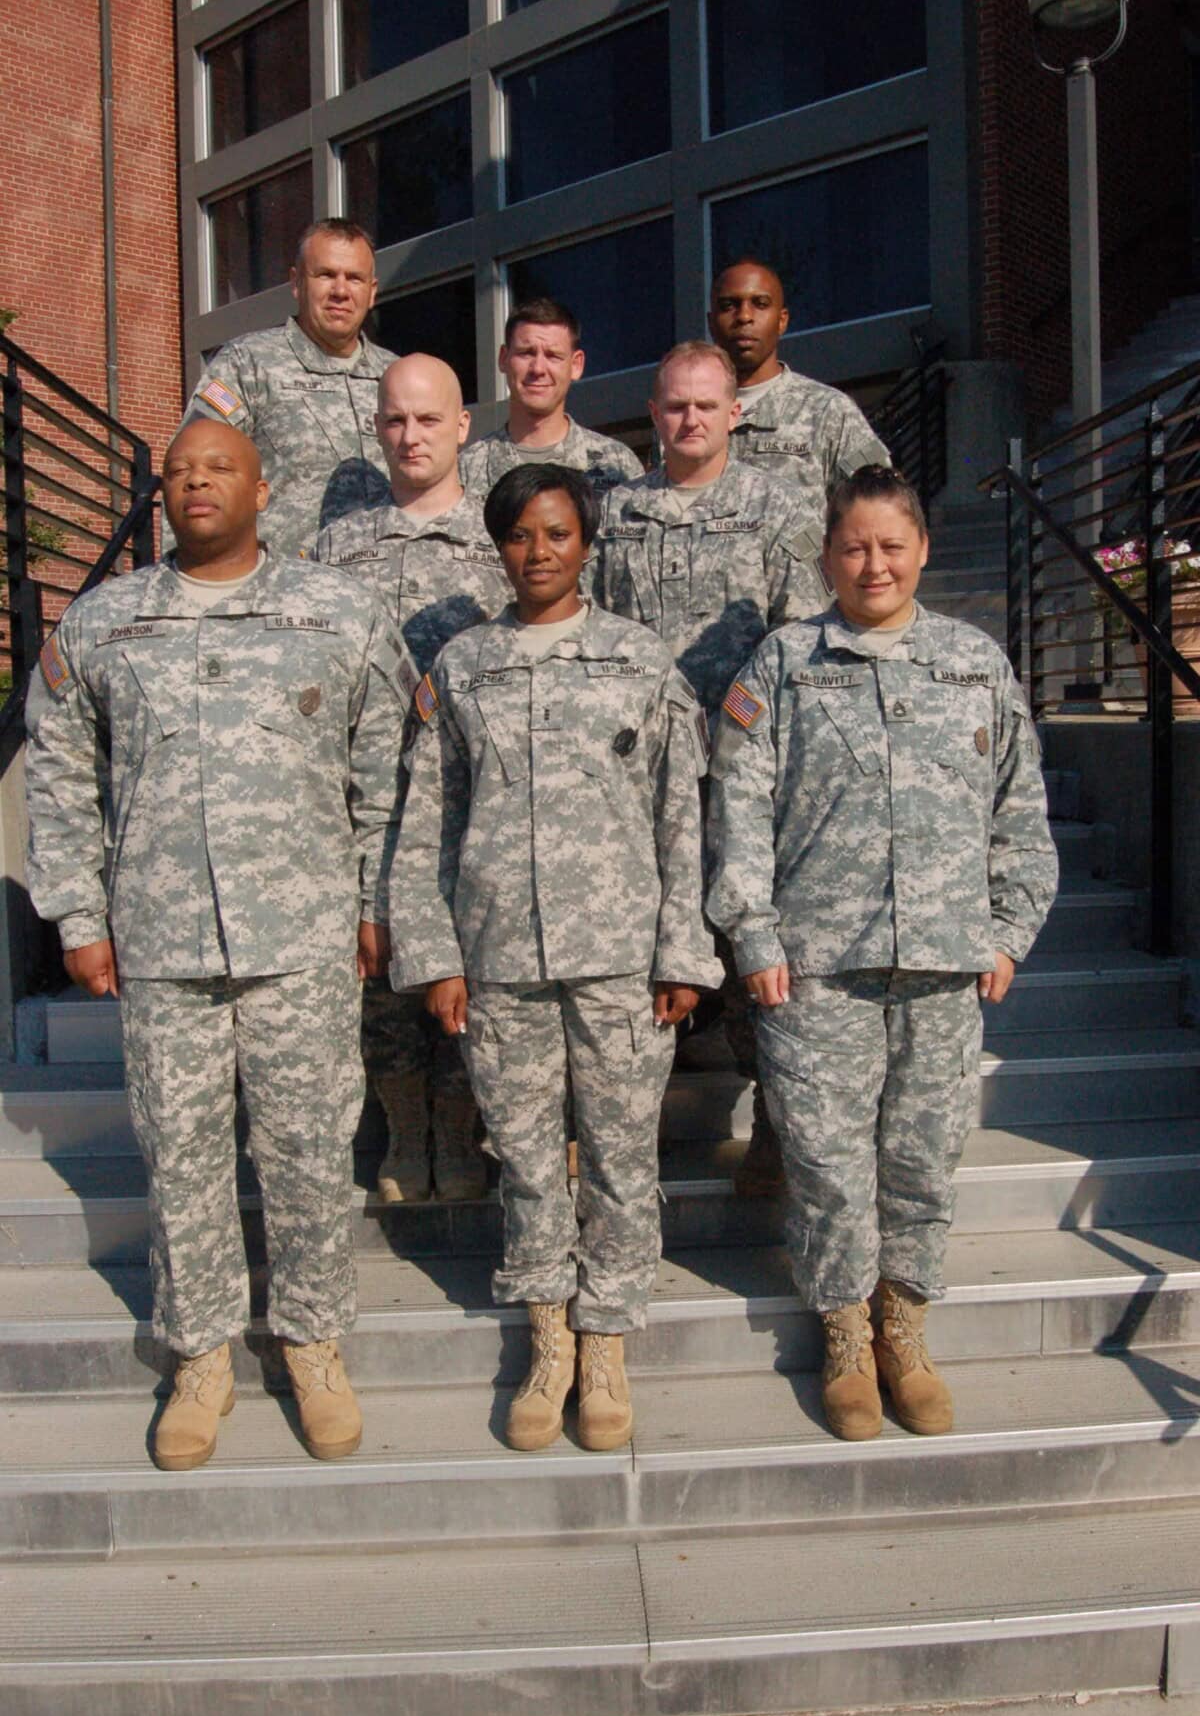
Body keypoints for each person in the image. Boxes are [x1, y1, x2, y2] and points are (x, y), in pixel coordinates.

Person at [24, 419, 415, 1472]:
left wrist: (380, 902)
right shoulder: (105, 624)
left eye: (219, 467)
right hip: (161, 940)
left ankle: (311, 1339)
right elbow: (60, 774)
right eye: (179, 470)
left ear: (263, 485)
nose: (196, 483)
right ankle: (201, 1352)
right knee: (182, 1149)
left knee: (306, 1148)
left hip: (304, 938)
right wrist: (78, 915)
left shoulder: (337, 611)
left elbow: (388, 771)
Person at [706, 465, 1057, 1442]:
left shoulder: (974, 662)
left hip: (946, 962)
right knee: (825, 1162)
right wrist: (754, 932)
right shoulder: (783, 663)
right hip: (817, 966)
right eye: (855, 545)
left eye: (891, 545)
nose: (874, 563)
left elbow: (1018, 805)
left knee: (923, 1160)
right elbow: (736, 807)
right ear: (828, 554)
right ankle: (846, 1336)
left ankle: (905, 1326)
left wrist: (1010, 929)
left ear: (921, 550)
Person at [391, 464, 720, 1452]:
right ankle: (549, 1336)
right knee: (530, 1159)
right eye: (520, 536)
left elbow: (681, 816)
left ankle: (607, 1334)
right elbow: (427, 823)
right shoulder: (462, 665)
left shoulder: (640, 659)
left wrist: (684, 948)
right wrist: (435, 952)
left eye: (557, 534)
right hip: (500, 956)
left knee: (620, 1156)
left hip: (621, 956)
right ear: (499, 547)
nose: (538, 552)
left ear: (585, 543)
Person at [593, 340, 828, 1195]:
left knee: (749, 943)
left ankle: (773, 1122)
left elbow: (799, 641)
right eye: (673, 406)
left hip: (740, 773)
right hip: (640, 775)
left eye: (704, 405)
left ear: (736, 412)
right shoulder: (618, 512)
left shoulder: (775, 508)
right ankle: (619, 1129)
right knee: (638, 945)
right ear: (653, 415)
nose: (688, 420)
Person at [314, 354, 509, 1203]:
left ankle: (462, 1126)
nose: (410, 436)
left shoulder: (504, 540)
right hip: (371, 795)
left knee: (478, 958)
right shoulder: (333, 548)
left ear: (463, 425)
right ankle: (402, 1126)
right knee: (381, 968)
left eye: (428, 419)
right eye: (394, 420)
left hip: (478, 797)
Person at [183, 219, 395, 558]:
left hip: (382, 596)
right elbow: (191, 473)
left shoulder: (397, 377)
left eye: (354, 278)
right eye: (325, 275)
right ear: (296, 282)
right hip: (281, 599)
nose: (340, 291)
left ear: (371, 292)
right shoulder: (248, 364)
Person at [708, 257, 890, 501]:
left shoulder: (828, 412)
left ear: (782, 321)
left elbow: (880, 507)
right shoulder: (682, 417)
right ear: (711, 322)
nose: (744, 316)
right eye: (729, 305)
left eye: (760, 304)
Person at [458, 297, 643, 499]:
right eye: (526, 353)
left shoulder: (616, 465)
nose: (538, 368)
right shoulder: (468, 471)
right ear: (503, 359)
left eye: (553, 355)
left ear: (576, 365)